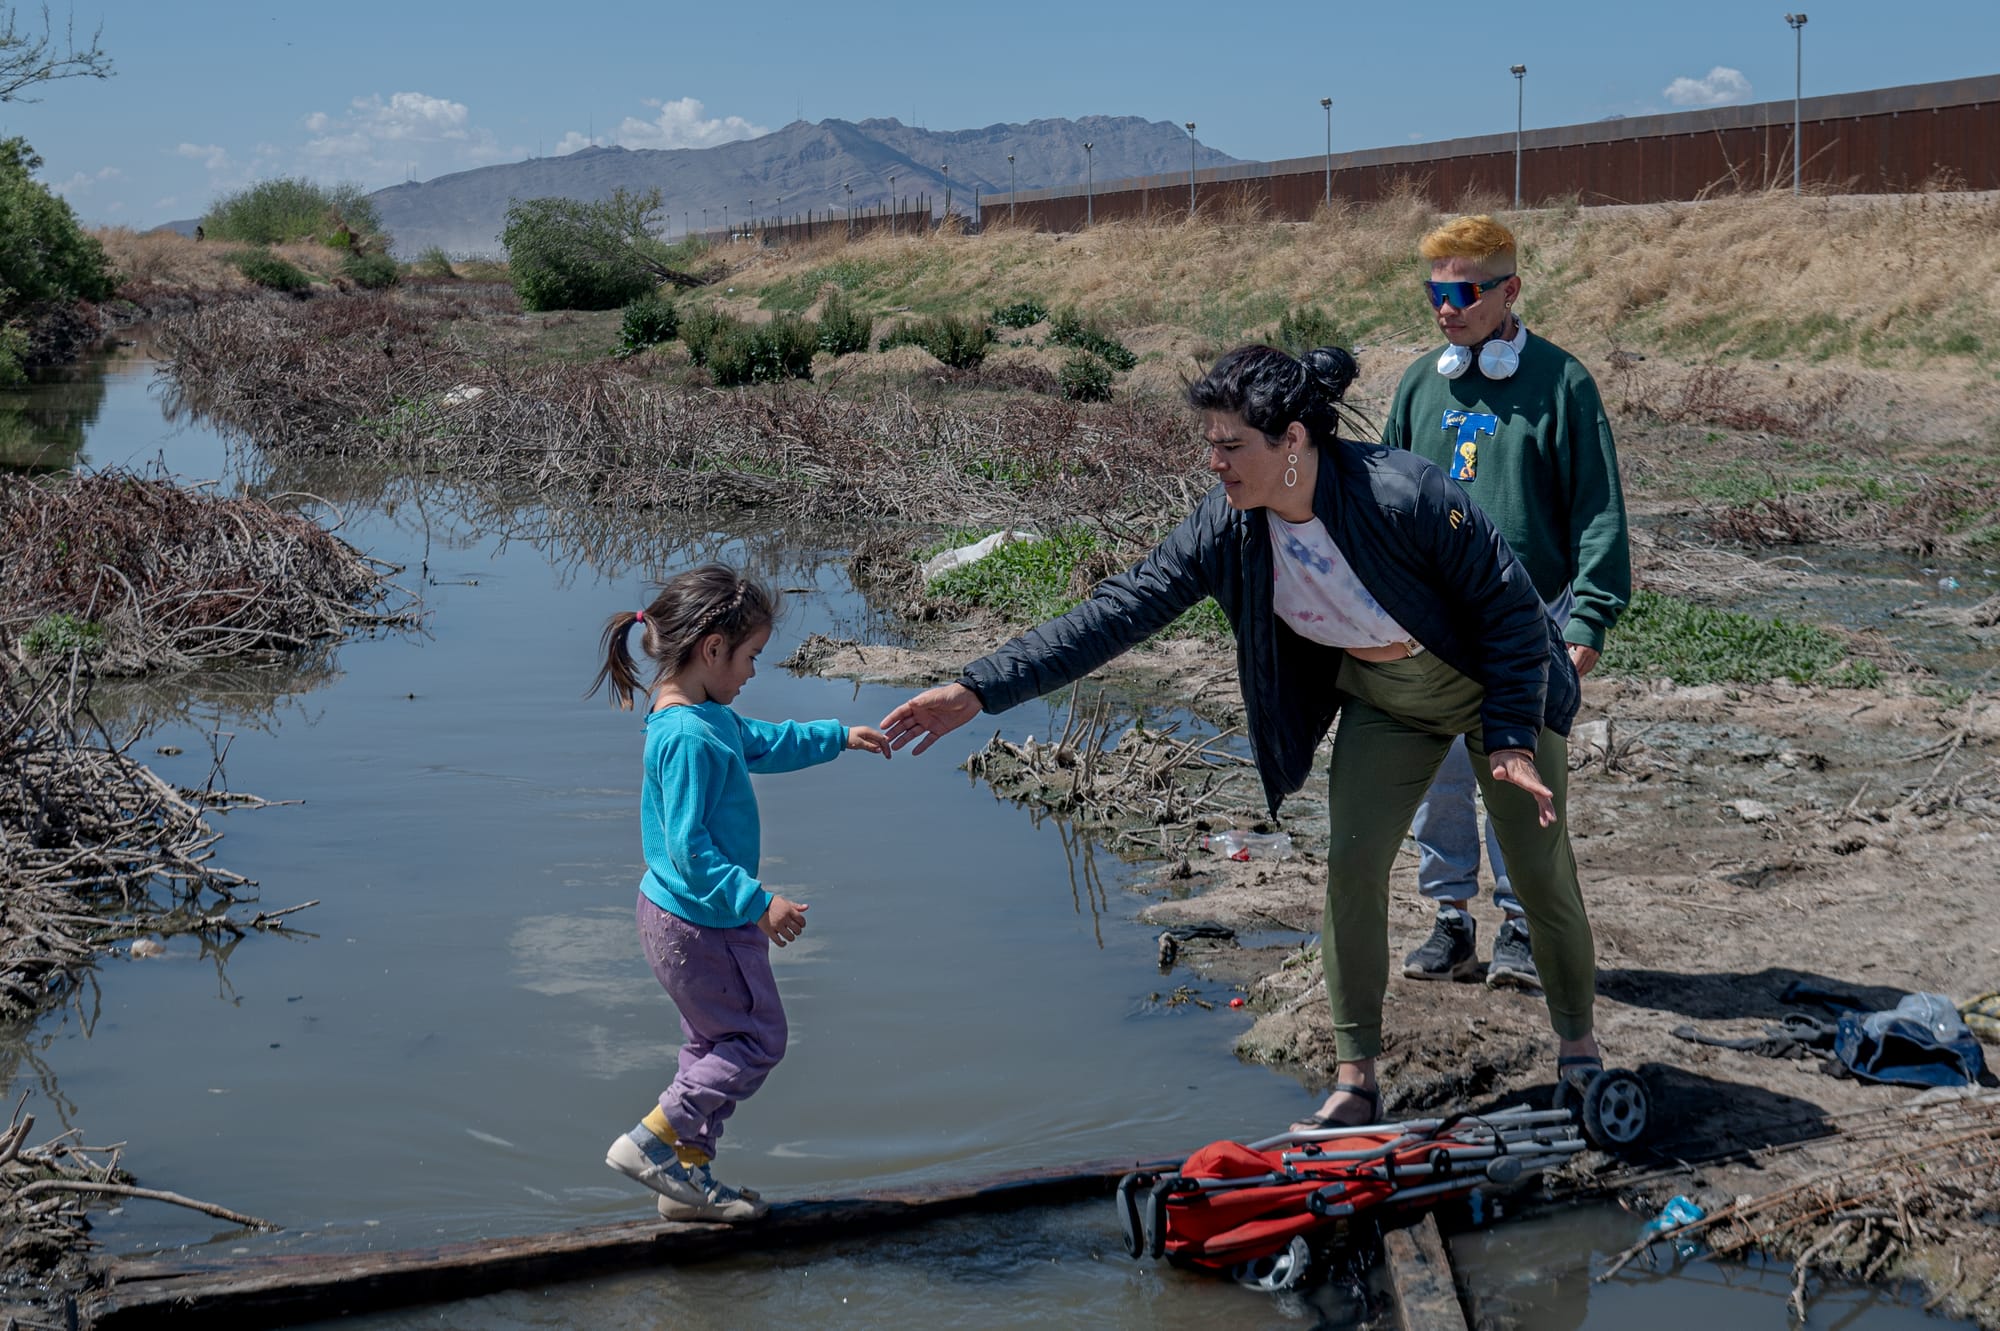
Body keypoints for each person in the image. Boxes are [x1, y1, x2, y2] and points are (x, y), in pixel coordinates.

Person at [881, 345, 1603, 1132]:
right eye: (1210, 445)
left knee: (1539, 874)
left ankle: (1579, 1053)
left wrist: (1508, 740)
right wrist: (979, 687)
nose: (1215, 463)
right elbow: (1119, 610)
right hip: (1389, 701)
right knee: (1351, 867)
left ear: (1292, 441)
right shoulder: (1226, 527)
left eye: (1232, 447)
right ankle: (1355, 1079)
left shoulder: (1402, 492)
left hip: (1498, 687)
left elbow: (1505, 606)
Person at [588, 564, 890, 1222]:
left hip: (676, 918)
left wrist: (839, 736)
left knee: (712, 1045)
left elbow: (765, 741)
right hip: (705, 924)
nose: (753, 672)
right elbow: (689, 851)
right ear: (712, 648)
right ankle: (650, 1140)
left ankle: (687, 1180)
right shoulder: (690, 738)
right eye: (750, 656)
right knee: (758, 1039)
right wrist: (761, 901)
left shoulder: (703, 716)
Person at [1382, 215, 1630, 992]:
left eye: (1461, 291)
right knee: (1444, 776)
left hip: (1533, 623)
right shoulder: (1422, 383)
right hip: (1436, 623)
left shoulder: (1562, 382)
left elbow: (1598, 511)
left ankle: (1523, 925)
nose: (1444, 308)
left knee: (1522, 779)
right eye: (1434, 291)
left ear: (1510, 289)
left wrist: (1586, 620)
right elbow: (1385, 498)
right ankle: (1451, 920)